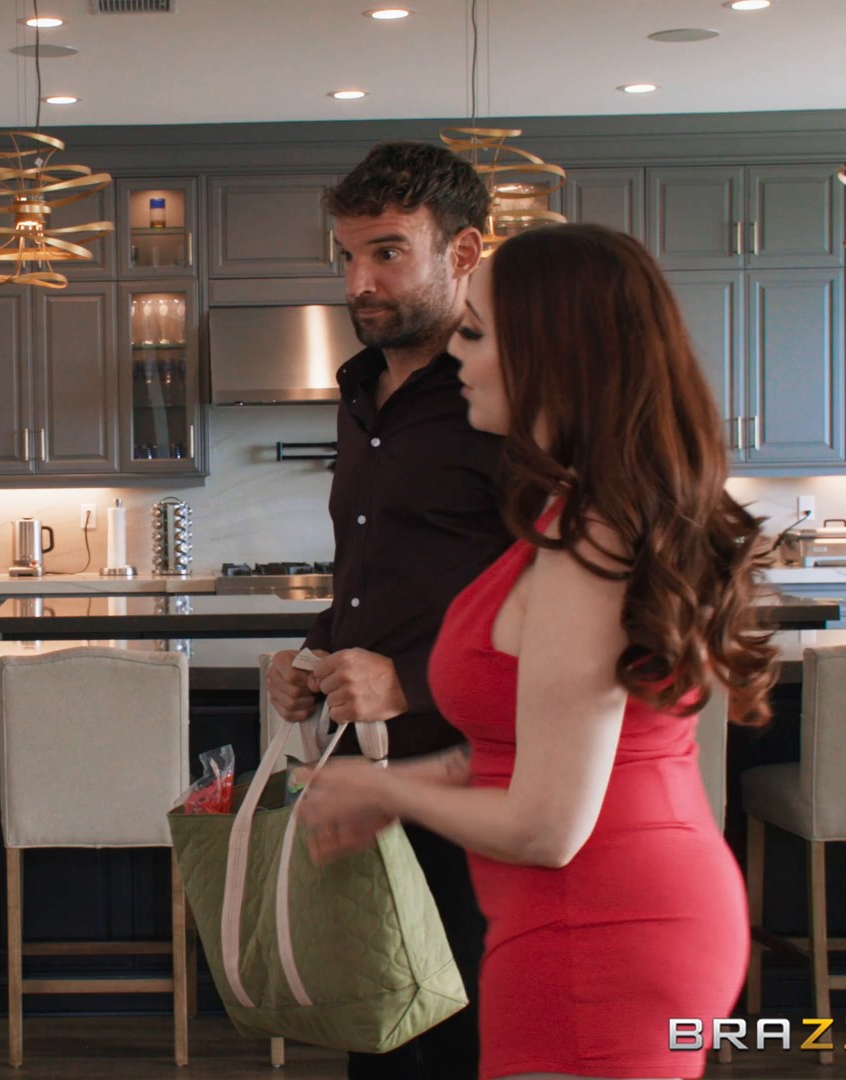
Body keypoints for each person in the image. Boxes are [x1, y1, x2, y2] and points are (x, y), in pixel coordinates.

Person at [297, 222, 777, 1080]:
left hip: (602, 931)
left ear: (552, 357)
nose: (458, 356)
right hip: (588, 917)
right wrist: (401, 786)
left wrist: (383, 786)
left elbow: (547, 826)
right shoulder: (577, 515)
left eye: (477, 335)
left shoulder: (592, 541)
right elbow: (520, 751)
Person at [264, 141, 513, 1080]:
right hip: (368, 776)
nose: (358, 283)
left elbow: (554, 602)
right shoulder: (361, 391)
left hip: (474, 776)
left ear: (463, 251)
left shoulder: (504, 394)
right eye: (346, 255)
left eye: (387, 253)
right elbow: (376, 569)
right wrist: (313, 651)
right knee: (381, 1030)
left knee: (460, 1038)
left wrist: (407, 683)